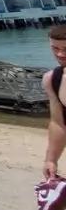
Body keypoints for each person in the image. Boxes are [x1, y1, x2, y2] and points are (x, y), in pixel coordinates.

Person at [43, 25, 66, 179]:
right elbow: (58, 123)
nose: (60, 54)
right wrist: (51, 159)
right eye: (55, 48)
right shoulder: (52, 80)